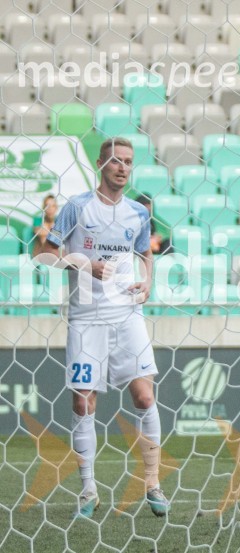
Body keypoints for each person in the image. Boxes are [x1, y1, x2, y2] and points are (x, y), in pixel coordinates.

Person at [35, 137, 170, 519]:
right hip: (86, 317)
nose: (123, 167)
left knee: (144, 397)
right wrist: (82, 264)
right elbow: (43, 253)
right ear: (100, 164)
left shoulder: (137, 214)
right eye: (116, 161)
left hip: (127, 313)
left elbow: (145, 252)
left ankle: (153, 483)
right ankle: (89, 490)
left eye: (128, 161)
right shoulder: (77, 207)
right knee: (83, 401)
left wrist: (149, 282)